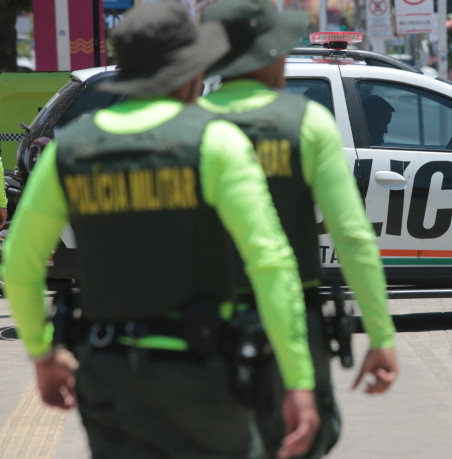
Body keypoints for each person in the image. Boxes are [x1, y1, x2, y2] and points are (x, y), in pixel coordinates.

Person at [1, 3, 318, 458]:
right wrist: (299, 379)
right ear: (190, 73)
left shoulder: (69, 151)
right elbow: (271, 264)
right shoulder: (217, 142)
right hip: (208, 375)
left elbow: (20, 264)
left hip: (109, 379)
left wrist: (42, 355)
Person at [199, 0, 398, 458]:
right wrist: (380, 336)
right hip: (291, 323)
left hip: (203, 328)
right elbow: (351, 237)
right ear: (268, 53)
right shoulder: (305, 123)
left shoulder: (188, 125)